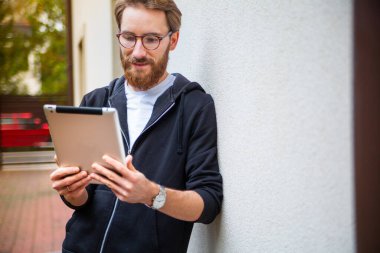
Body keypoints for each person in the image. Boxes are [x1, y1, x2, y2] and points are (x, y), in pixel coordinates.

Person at [49, 0, 223, 252]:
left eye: (151, 39)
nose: (138, 52)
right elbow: (83, 199)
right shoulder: (95, 101)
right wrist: (72, 192)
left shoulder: (194, 106)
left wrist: (152, 195)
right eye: (129, 38)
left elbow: (209, 202)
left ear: (172, 41)